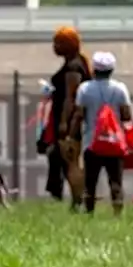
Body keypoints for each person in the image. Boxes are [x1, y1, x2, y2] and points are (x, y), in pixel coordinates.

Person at [70, 51, 133, 215]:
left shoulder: (84, 89)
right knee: (116, 182)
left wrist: (72, 136)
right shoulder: (120, 89)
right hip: (115, 143)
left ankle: (89, 212)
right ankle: (118, 213)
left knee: (90, 182)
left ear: (94, 70)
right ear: (111, 70)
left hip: (92, 143)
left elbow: (79, 115)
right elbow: (126, 116)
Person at [50, 26, 92, 211]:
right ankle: (72, 196)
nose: (54, 47)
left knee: (70, 159)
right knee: (59, 156)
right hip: (69, 117)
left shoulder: (74, 67)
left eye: (58, 43)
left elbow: (71, 96)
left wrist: (64, 122)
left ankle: (78, 199)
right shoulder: (76, 63)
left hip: (70, 120)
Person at [34, 79, 64, 200]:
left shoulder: (50, 106)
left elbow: (45, 125)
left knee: (57, 168)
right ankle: (56, 192)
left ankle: (56, 192)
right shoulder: (45, 105)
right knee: (55, 168)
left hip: (53, 140)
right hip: (50, 140)